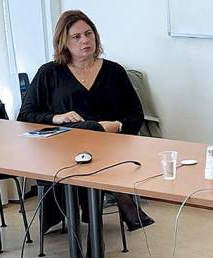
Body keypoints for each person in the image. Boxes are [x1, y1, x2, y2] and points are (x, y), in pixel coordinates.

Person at [18, 9, 153, 230]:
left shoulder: (114, 71)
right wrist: (57, 117)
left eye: (89, 34)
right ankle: (122, 200)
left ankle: (95, 236)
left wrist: (117, 125)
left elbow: (136, 115)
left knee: (93, 134)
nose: (85, 41)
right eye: (77, 36)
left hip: (110, 147)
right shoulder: (49, 73)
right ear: (64, 41)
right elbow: (24, 116)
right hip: (61, 152)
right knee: (89, 128)